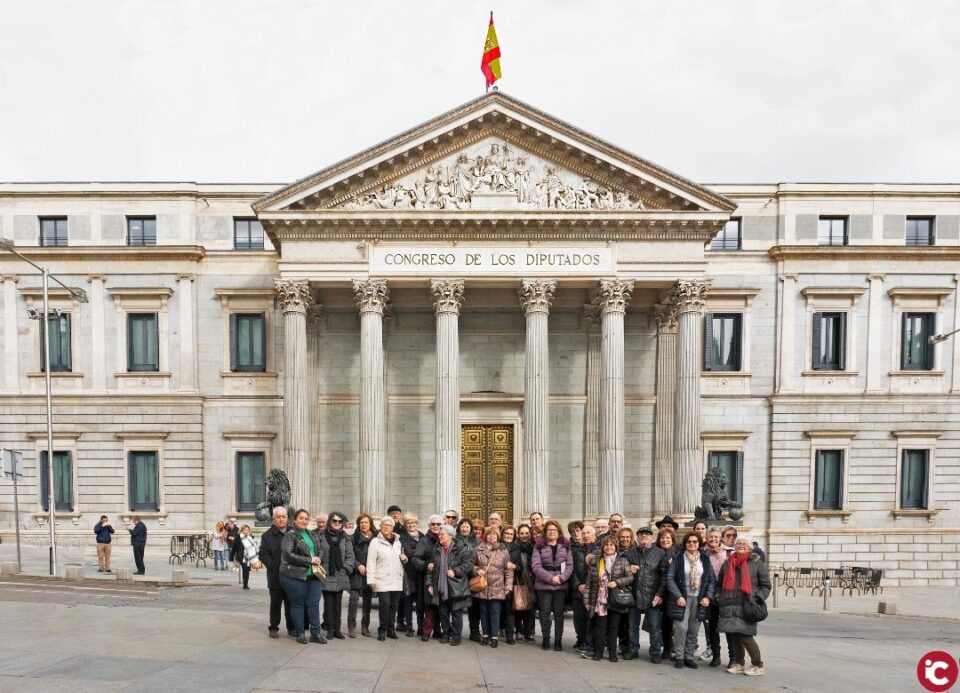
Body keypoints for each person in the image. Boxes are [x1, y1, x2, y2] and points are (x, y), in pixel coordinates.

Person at [718, 537, 771, 676]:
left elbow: (766, 585)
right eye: (738, 543)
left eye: (744, 544)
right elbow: (719, 584)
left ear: (748, 547)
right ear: (734, 546)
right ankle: (739, 663)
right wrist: (719, 598)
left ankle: (758, 664)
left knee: (746, 636)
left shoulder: (756, 563)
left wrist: (757, 598)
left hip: (747, 605)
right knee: (734, 635)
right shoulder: (727, 563)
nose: (741, 545)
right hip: (729, 604)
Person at [666, 532, 716, 669]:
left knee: (693, 629)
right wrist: (678, 596)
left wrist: (708, 597)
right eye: (689, 542)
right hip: (682, 598)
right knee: (681, 628)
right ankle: (679, 656)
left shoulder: (705, 559)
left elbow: (711, 580)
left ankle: (688, 656)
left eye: (695, 541)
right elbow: (670, 578)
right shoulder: (678, 559)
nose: (692, 544)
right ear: (685, 544)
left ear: (699, 543)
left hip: (699, 599)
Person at [280, 508, 327, 645]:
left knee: (314, 604)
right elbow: (288, 555)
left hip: (314, 575)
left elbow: (320, 549)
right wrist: (309, 560)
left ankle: (315, 634)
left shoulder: (312, 534)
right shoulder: (290, 535)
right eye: (301, 518)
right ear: (294, 520)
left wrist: (318, 558)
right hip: (295, 575)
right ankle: (300, 633)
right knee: (298, 604)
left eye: (306, 518)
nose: (304, 521)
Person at [583, 535, 634, 662]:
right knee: (600, 627)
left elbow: (630, 577)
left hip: (615, 599)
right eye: (606, 545)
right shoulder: (596, 561)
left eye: (611, 545)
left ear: (615, 546)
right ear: (602, 547)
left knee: (613, 627)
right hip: (600, 600)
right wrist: (587, 601)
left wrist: (617, 582)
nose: (609, 547)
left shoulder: (622, 560)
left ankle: (612, 653)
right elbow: (589, 583)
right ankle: (598, 652)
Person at [624, 526, 668, 663]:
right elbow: (622, 571)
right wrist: (629, 569)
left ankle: (655, 652)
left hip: (652, 595)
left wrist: (660, 594)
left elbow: (664, 576)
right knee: (632, 626)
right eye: (641, 534)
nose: (644, 536)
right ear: (637, 537)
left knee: (654, 627)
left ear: (651, 537)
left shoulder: (660, 553)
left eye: (647, 534)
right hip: (634, 595)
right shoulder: (630, 553)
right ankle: (633, 649)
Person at [425, 524, 474, 645]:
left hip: (456, 587)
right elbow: (431, 569)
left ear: (450, 536)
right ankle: (446, 633)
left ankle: (456, 636)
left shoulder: (461, 548)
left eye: (442, 534)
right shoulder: (436, 549)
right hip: (440, 586)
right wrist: (429, 584)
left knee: (456, 613)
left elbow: (469, 564)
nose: (439, 536)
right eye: (439, 534)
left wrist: (455, 571)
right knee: (443, 613)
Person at [531, 519, 573, 651]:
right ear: (545, 532)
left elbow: (570, 565)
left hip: (560, 585)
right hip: (544, 585)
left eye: (554, 530)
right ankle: (546, 638)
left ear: (558, 532)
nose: (551, 532)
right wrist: (550, 579)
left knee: (559, 614)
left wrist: (561, 578)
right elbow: (536, 566)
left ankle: (558, 640)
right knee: (544, 613)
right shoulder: (538, 546)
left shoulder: (566, 546)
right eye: (549, 530)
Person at [472, 525, 513, 648]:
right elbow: (470, 564)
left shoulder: (503, 550)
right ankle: (485, 635)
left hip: (497, 586)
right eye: (489, 534)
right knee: (483, 612)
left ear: (498, 536)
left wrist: (508, 587)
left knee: (495, 612)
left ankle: (494, 637)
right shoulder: (478, 549)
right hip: (482, 586)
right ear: (486, 536)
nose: (492, 536)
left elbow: (508, 570)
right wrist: (477, 570)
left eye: (494, 534)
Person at [366, 516, 407, 641]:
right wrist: (370, 580)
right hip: (382, 579)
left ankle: (391, 629)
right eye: (384, 525)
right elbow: (371, 561)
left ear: (393, 527)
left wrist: (404, 559)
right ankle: (382, 630)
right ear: (380, 526)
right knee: (385, 605)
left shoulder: (398, 542)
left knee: (394, 606)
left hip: (396, 578)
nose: (387, 527)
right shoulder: (375, 542)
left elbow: (401, 558)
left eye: (389, 525)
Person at [258, 506, 294, 639]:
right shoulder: (267, 535)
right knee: (275, 604)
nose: (281, 519)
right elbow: (263, 554)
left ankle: (292, 628)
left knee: (291, 604)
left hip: (292, 576)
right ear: (273, 519)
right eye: (278, 517)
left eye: (283, 516)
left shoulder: (294, 532)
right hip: (276, 576)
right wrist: (274, 565)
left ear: (287, 518)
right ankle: (273, 627)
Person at [321, 511, 355, 640]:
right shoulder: (322, 535)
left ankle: (337, 629)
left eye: (339, 521)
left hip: (340, 574)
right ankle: (329, 629)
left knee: (337, 604)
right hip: (327, 574)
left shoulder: (346, 538)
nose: (336, 523)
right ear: (330, 521)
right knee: (328, 603)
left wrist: (345, 568)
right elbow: (318, 552)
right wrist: (322, 568)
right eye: (334, 521)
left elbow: (350, 556)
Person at [411, 514, 444, 642]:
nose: (436, 526)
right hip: (427, 578)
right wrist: (426, 565)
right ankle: (425, 631)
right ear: (429, 526)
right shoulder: (424, 541)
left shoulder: (445, 538)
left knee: (439, 605)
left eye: (438, 524)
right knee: (429, 605)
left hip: (442, 578)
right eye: (433, 524)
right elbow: (415, 559)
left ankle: (437, 630)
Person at [703, 527, 729, 667]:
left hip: (726, 595)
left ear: (721, 538)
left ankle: (733, 658)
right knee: (712, 627)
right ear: (706, 538)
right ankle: (716, 656)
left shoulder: (729, 552)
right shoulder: (702, 552)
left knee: (729, 627)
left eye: (716, 537)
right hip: (710, 594)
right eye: (711, 536)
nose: (713, 539)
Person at [348, 512, 375, 638]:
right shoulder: (353, 538)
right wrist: (358, 565)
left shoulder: (376, 538)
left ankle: (365, 626)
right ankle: (351, 626)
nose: (364, 525)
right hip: (356, 572)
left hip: (370, 572)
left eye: (366, 522)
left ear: (370, 524)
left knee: (368, 601)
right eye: (361, 523)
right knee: (354, 599)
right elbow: (349, 554)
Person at [455, 518, 482, 641]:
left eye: (467, 526)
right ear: (459, 527)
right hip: (459, 576)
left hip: (473, 576)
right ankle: (455, 631)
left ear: (471, 528)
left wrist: (475, 569)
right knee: (457, 606)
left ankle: (474, 631)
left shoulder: (478, 541)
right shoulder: (454, 540)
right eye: (463, 526)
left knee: (474, 606)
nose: (465, 529)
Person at [398, 512, 424, 636]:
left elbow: (425, 552)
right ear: (405, 524)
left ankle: (420, 627)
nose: (411, 525)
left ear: (416, 523)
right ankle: (409, 627)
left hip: (421, 573)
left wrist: (414, 552)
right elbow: (408, 552)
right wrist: (418, 553)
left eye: (413, 522)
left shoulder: (422, 536)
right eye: (408, 523)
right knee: (408, 602)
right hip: (408, 574)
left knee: (420, 603)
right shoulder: (402, 537)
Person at [510, 523, 536, 642]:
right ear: (518, 535)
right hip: (519, 578)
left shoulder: (534, 547)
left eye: (526, 533)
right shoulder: (515, 547)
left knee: (531, 607)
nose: (524, 535)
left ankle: (529, 631)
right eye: (521, 533)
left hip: (532, 579)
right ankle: (519, 630)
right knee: (519, 605)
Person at [570, 521, 593, 654]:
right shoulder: (575, 550)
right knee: (578, 617)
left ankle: (589, 641)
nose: (585, 535)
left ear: (593, 535)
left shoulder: (598, 550)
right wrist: (578, 584)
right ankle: (581, 638)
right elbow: (571, 569)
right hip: (578, 589)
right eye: (583, 533)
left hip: (592, 590)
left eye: (588, 533)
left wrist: (588, 586)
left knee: (590, 617)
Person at [655, 526, 677, 661]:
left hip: (673, 593)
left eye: (668, 538)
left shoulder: (677, 553)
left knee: (676, 623)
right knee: (664, 624)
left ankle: (678, 649)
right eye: (662, 538)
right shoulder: (655, 553)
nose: (665, 540)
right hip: (659, 592)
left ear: (672, 540)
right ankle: (667, 649)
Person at [499, 525, 519, 644]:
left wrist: (515, 566)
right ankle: (496, 630)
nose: (509, 536)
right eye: (507, 533)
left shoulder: (517, 548)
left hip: (512, 582)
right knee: (497, 609)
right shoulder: (497, 546)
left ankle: (510, 635)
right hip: (497, 581)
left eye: (511, 534)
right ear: (502, 534)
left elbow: (521, 567)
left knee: (510, 610)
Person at [238, 524, 258, 589]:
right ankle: (245, 584)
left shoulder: (250, 537)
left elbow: (253, 545)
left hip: (249, 556)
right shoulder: (239, 537)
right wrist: (232, 556)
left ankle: (245, 584)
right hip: (241, 556)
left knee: (247, 570)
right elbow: (235, 546)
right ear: (242, 530)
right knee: (245, 569)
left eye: (247, 530)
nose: (246, 531)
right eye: (245, 530)